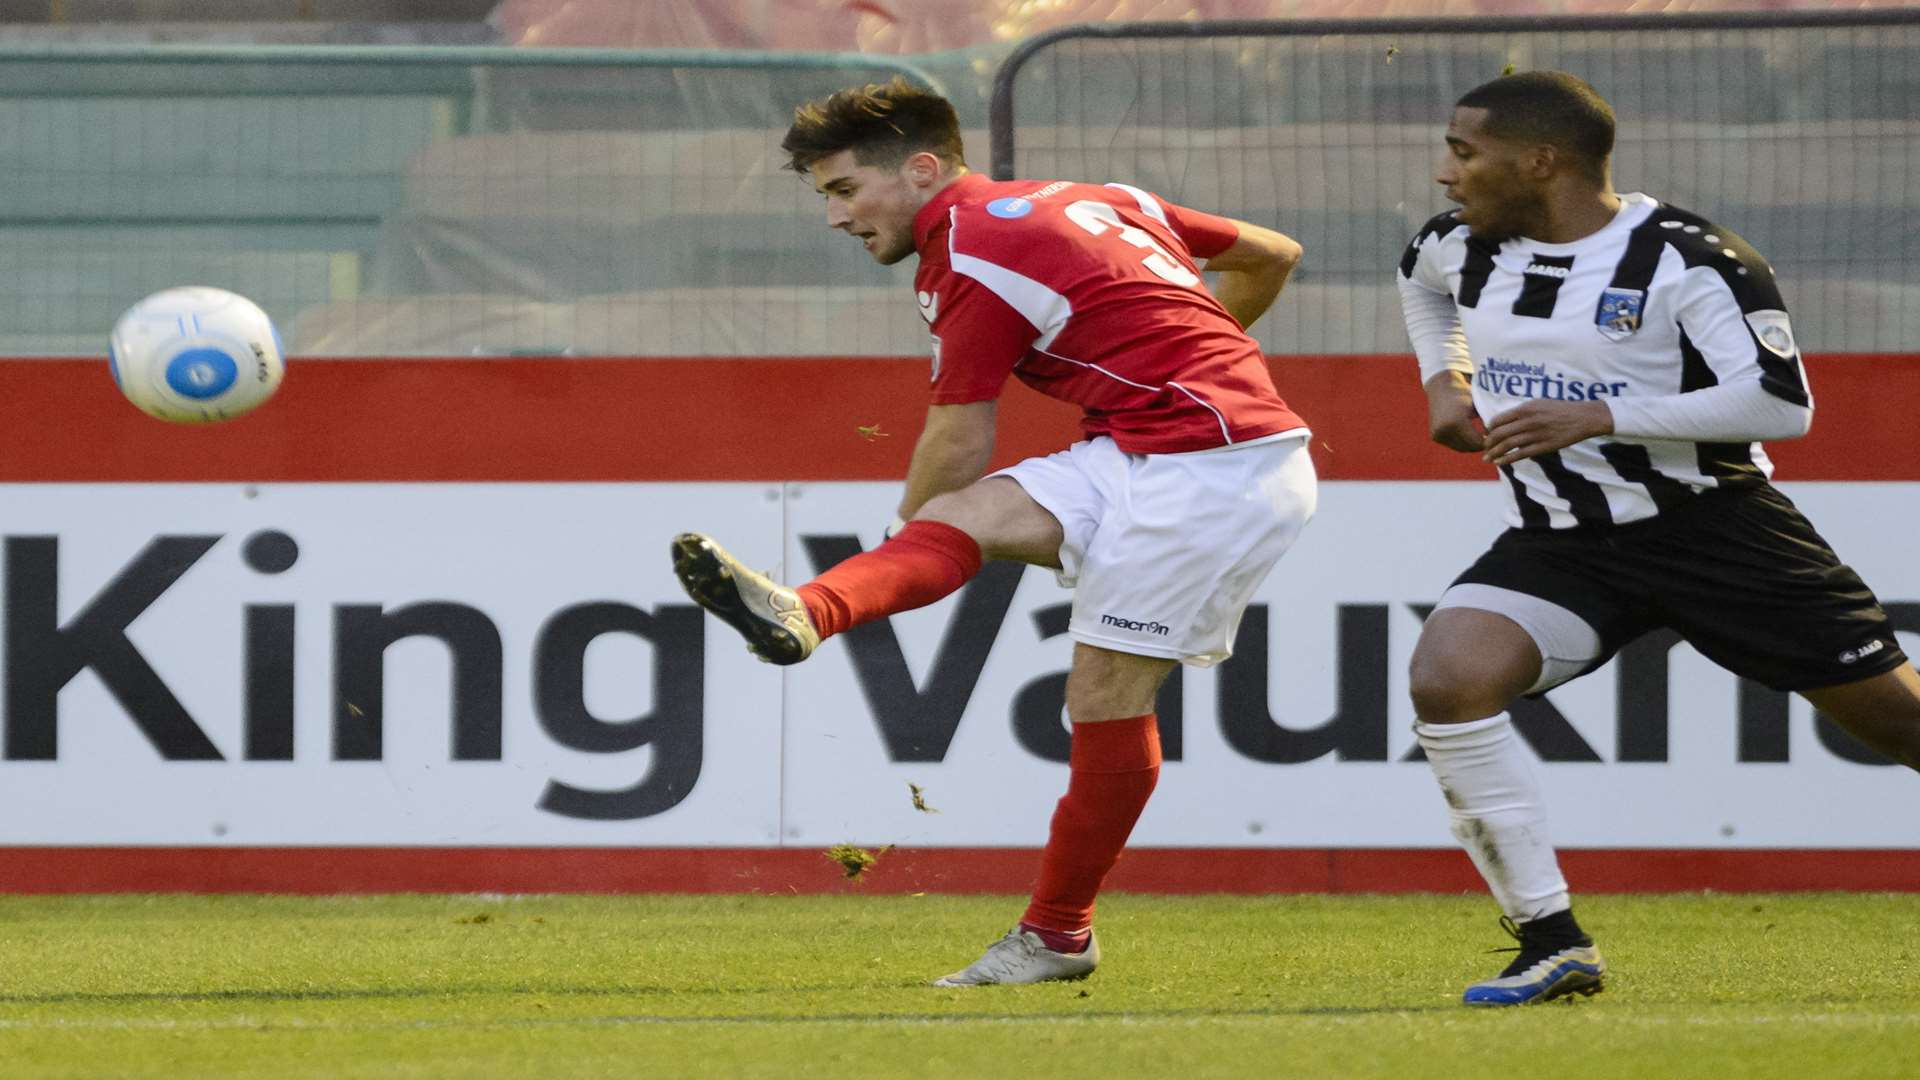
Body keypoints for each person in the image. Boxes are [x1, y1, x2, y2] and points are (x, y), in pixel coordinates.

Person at [672, 77, 1315, 986]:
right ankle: (806, 611)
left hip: (1217, 472)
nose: (835, 217)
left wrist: (900, 549)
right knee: (963, 520)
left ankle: (1058, 934)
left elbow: (961, 431)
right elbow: (1275, 254)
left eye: (845, 190)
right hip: (1149, 446)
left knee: (1101, 695)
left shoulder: (970, 251)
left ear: (923, 168)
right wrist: (1179, 363)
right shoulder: (1099, 197)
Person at [1397, 70, 1920, 1006]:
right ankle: (1552, 942)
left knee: (1902, 723)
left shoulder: (1691, 257)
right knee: (1447, 677)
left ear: (1541, 162)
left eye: (1465, 153)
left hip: (1719, 533)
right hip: (1561, 539)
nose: (1446, 174)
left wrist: (1601, 417)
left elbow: (1778, 404)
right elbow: (1422, 288)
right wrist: (1447, 379)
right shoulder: (1458, 246)